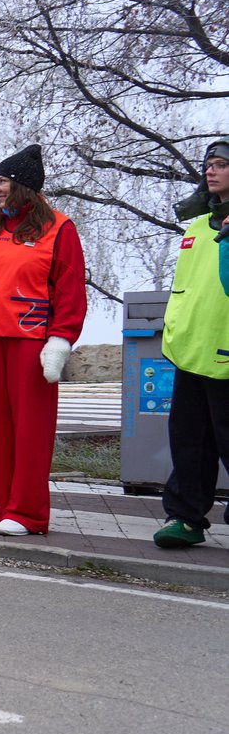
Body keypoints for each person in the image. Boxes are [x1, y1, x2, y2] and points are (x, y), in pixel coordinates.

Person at [0, 145, 86, 536]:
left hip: (30, 341)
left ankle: (28, 512)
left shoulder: (59, 228)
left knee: (30, 429)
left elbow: (70, 289)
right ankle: (5, 503)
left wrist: (61, 339)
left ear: (24, 187)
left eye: (2, 181)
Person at [153, 140, 229, 549]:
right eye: (209, 165)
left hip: (227, 354)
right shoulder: (198, 227)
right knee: (189, 441)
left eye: (221, 165)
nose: (211, 172)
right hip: (191, 351)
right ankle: (185, 517)